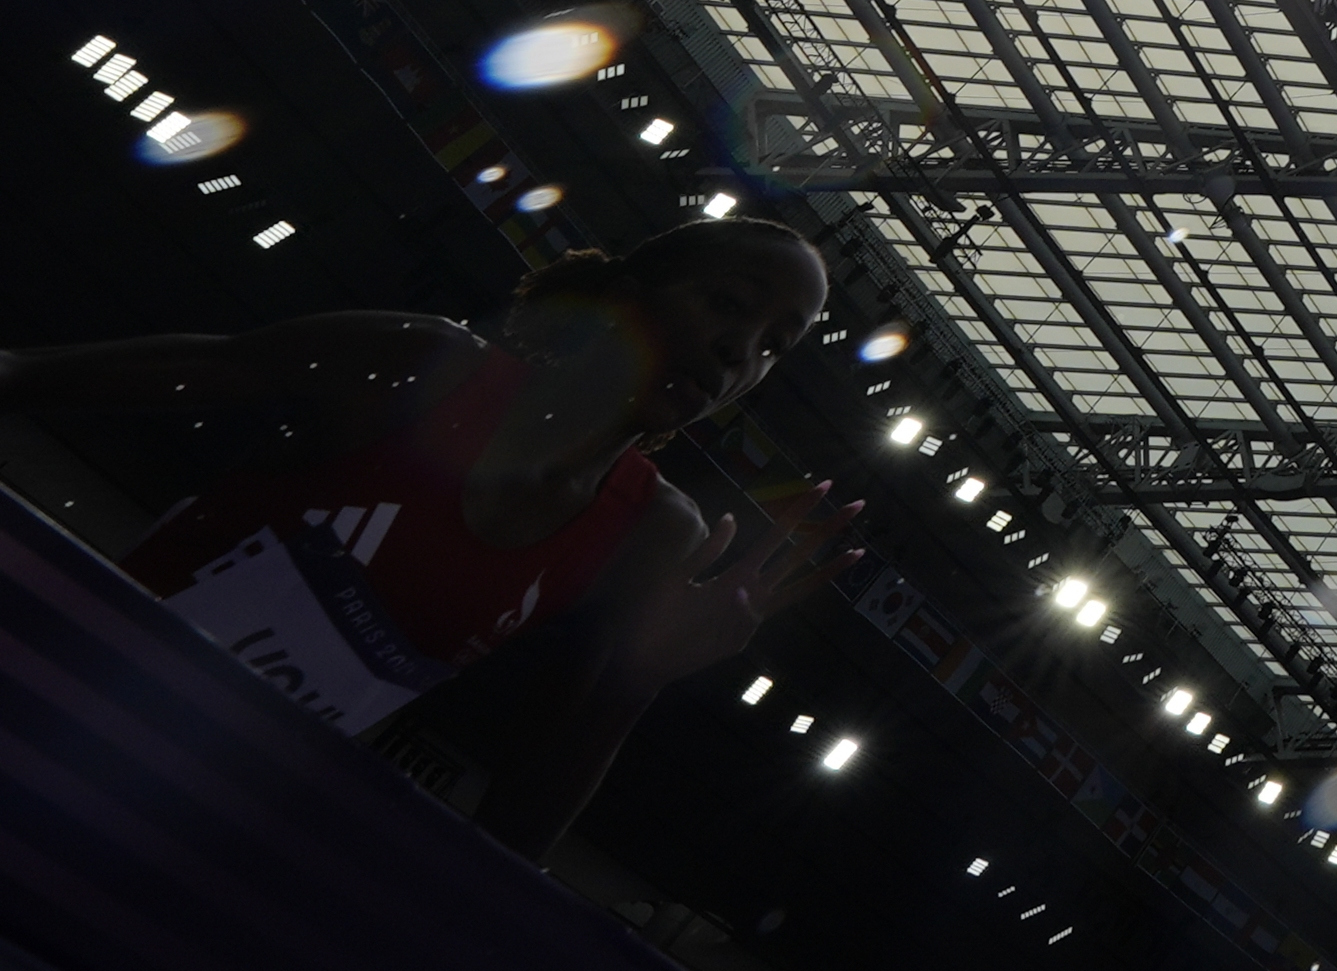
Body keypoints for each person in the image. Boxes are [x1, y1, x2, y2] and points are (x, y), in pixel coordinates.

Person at [0, 214, 850, 853]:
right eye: (730, 305)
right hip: (43, 688)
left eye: (776, 346)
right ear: (627, 293)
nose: (741, 347)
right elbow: (32, 378)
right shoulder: (417, 366)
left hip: (195, 822)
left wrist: (639, 680)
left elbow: (515, 833)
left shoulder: (650, 534)